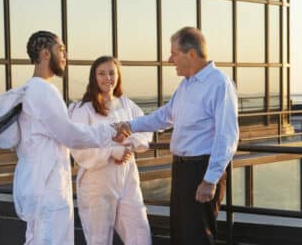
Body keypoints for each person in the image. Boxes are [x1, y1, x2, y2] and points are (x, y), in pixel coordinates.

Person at [116, 27, 239, 245]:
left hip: (201, 170)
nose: (169, 59)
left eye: (174, 54)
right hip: (182, 169)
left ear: (191, 54)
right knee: (181, 236)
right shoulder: (186, 85)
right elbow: (164, 117)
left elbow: (227, 136)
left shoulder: (220, 84)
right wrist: (129, 125)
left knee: (198, 237)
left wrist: (209, 180)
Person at [13, 31, 125, 245]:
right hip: (49, 189)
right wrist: (110, 132)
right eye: (61, 50)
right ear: (46, 54)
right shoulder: (44, 91)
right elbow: (70, 135)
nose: (65, 55)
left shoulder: (29, 89)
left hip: (39, 185)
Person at [69, 56, 152, 245]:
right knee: (99, 239)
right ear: (93, 77)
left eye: (112, 73)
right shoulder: (83, 109)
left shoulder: (126, 104)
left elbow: (145, 128)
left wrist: (131, 144)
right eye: (101, 73)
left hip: (127, 179)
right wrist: (111, 151)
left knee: (140, 233)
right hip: (97, 182)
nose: (108, 78)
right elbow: (77, 144)